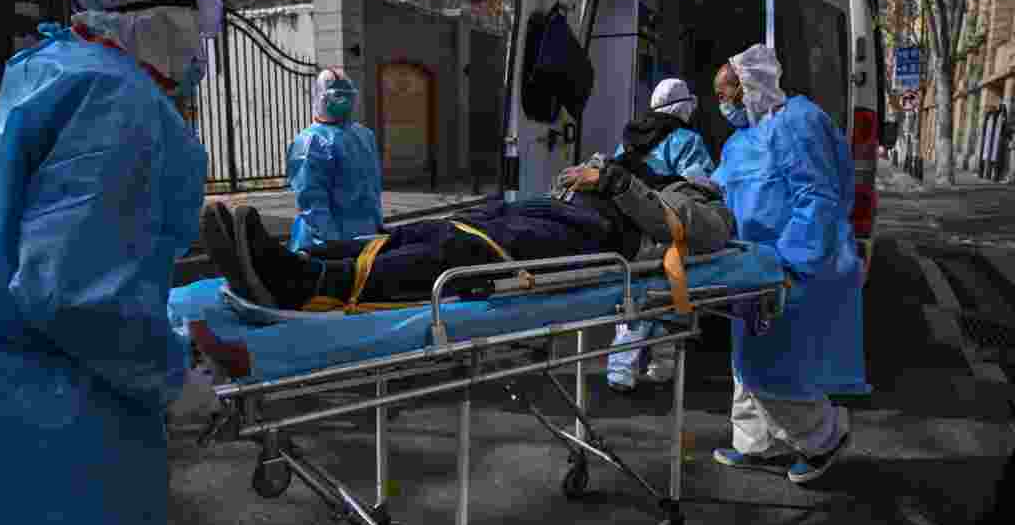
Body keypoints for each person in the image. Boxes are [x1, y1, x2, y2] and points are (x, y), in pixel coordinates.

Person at [0, 0, 220, 525]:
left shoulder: (41, 71)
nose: (199, 49)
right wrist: (173, 377)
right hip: (67, 422)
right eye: (192, 25)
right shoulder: (124, 105)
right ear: (149, 24)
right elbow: (75, 290)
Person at [200, 150, 735, 312]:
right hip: (560, 213)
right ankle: (290, 260)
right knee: (429, 230)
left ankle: (308, 283)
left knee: (458, 250)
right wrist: (581, 178)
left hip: (595, 240)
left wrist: (613, 179)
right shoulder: (654, 170)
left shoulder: (706, 199)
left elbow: (697, 234)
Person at [708, 44, 860, 485]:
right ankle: (754, 443)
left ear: (749, 87)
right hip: (750, 262)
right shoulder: (743, 139)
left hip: (790, 262)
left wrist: (792, 262)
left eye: (726, 96)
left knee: (776, 366)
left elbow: (817, 198)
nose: (723, 106)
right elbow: (721, 188)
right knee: (745, 361)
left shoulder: (797, 122)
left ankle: (824, 437)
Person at [608, 77, 717, 392]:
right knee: (670, 297)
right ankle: (662, 366)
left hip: (632, 230)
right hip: (669, 225)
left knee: (634, 297)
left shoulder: (630, 137)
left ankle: (620, 371)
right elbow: (700, 183)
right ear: (683, 107)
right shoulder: (687, 139)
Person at [287, 68, 383, 253]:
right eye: (338, 96)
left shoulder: (364, 135)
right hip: (323, 243)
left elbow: (372, 187)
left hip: (367, 235)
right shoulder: (309, 141)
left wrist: (377, 224)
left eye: (348, 96)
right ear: (321, 98)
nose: (344, 101)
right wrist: (331, 242)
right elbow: (311, 199)